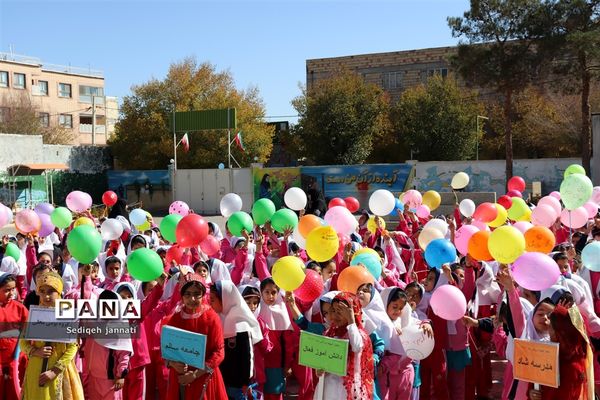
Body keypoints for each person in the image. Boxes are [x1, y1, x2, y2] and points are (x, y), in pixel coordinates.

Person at [162, 273, 227, 399]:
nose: (192, 299)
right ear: (182, 296)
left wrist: (195, 374)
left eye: (197, 294)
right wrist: (173, 364)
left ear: (203, 295)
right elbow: (166, 352)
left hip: (204, 378)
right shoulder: (174, 319)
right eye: (188, 294)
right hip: (180, 379)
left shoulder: (211, 318)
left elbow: (219, 352)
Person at [20, 271, 84, 400]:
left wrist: (54, 371)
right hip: (36, 369)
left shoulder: (66, 315)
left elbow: (72, 347)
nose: (46, 296)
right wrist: (34, 351)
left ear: (59, 292)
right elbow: (23, 341)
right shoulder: (35, 315)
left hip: (59, 371)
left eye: (50, 291)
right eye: (42, 291)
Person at [210, 280, 263, 399]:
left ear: (225, 299)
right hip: (221, 377)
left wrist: (246, 381)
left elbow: (247, 356)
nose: (210, 303)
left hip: (237, 383)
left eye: (213, 300)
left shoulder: (241, 324)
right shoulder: (217, 318)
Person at [529, 304, 593, 400]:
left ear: (560, 333)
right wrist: (532, 393)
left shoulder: (572, 366)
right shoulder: (546, 354)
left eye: (551, 328)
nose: (548, 331)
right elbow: (536, 383)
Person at [319, 292, 374, 399]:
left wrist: (351, 321)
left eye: (341, 311)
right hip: (328, 387)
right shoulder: (329, 333)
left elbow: (357, 346)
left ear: (353, 312)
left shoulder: (359, 334)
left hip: (348, 390)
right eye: (333, 311)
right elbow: (322, 358)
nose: (335, 315)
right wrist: (320, 370)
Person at [0, 272, 28, 400]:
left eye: (13, 289)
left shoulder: (19, 308)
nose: (11, 293)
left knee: (15, 393)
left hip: (16, 361)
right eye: (7, 290)